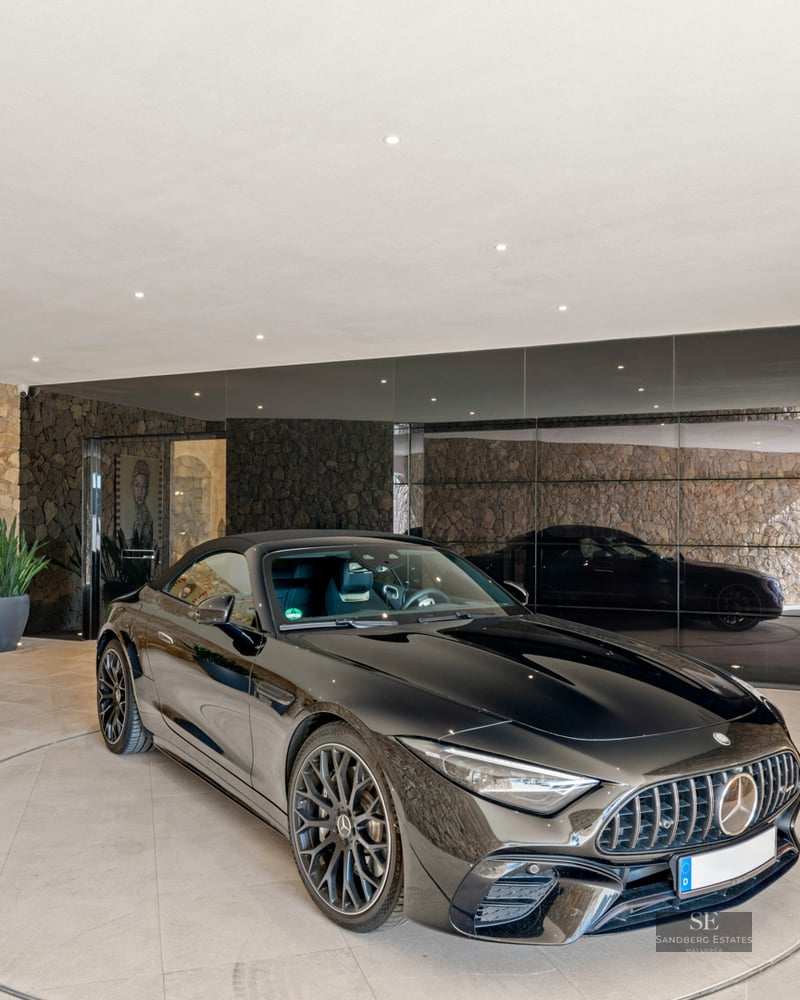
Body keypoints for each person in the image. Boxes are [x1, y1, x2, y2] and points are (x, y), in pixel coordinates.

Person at [127, 459, 154, 549]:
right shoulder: (128, 512)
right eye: (137, 485)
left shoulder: (148, 517)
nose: (140, 491)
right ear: (132, 486)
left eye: (143, 486)